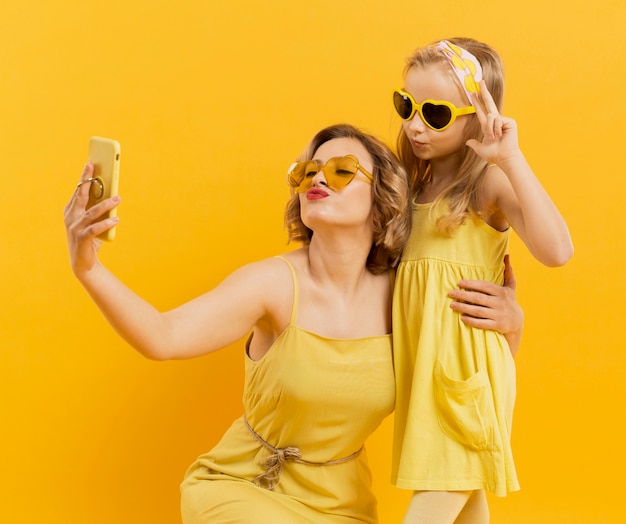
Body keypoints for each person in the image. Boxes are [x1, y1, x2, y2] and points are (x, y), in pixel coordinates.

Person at [64, 123, 523, 523]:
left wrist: (511, 323)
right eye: (306, 172)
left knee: (470, 488)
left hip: (342, 507)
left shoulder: (406, 295)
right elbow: (163, 337)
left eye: (341, 169)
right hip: (244, 489)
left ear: (384, 195)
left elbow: (467, 387)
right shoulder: (272, 284)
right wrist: (89, 269)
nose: (317, 177)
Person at [390, 38, 574, 523]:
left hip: (466, 379)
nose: (413, 125)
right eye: (406, 105)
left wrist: (510, 159)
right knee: (468, 507)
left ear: (477, 115)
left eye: (435, 113)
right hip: (424, 378)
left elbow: (557, 251)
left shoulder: (486, 187)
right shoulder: (407, 189)